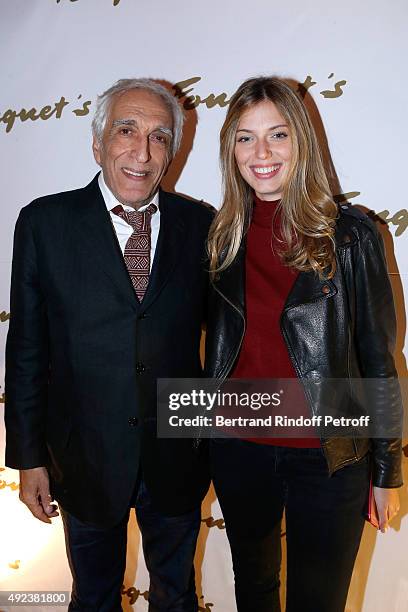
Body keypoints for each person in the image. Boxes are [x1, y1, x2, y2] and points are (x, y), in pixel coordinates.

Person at [5, 78, 212, 612]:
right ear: (97, 143)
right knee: (93, 598)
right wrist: (28, 459)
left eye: (160, 137)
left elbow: (228, 344)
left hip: (178, 455)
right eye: (126, 131)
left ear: (173, 150)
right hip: (84, 459)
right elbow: (27, 348)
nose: (142, 152)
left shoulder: (202, 226)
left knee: (177, 595)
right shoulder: (44, 224)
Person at [204, 76, 402, 612]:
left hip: (329, 456)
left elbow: (379, 359)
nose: (261, 152)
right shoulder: (219, 237)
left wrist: (386, 470)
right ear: (230, 150)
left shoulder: (352, 235)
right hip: (239, 448)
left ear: (302, 143)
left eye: (278, 134)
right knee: (256, 593)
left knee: (320, 601)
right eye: (245, 137)